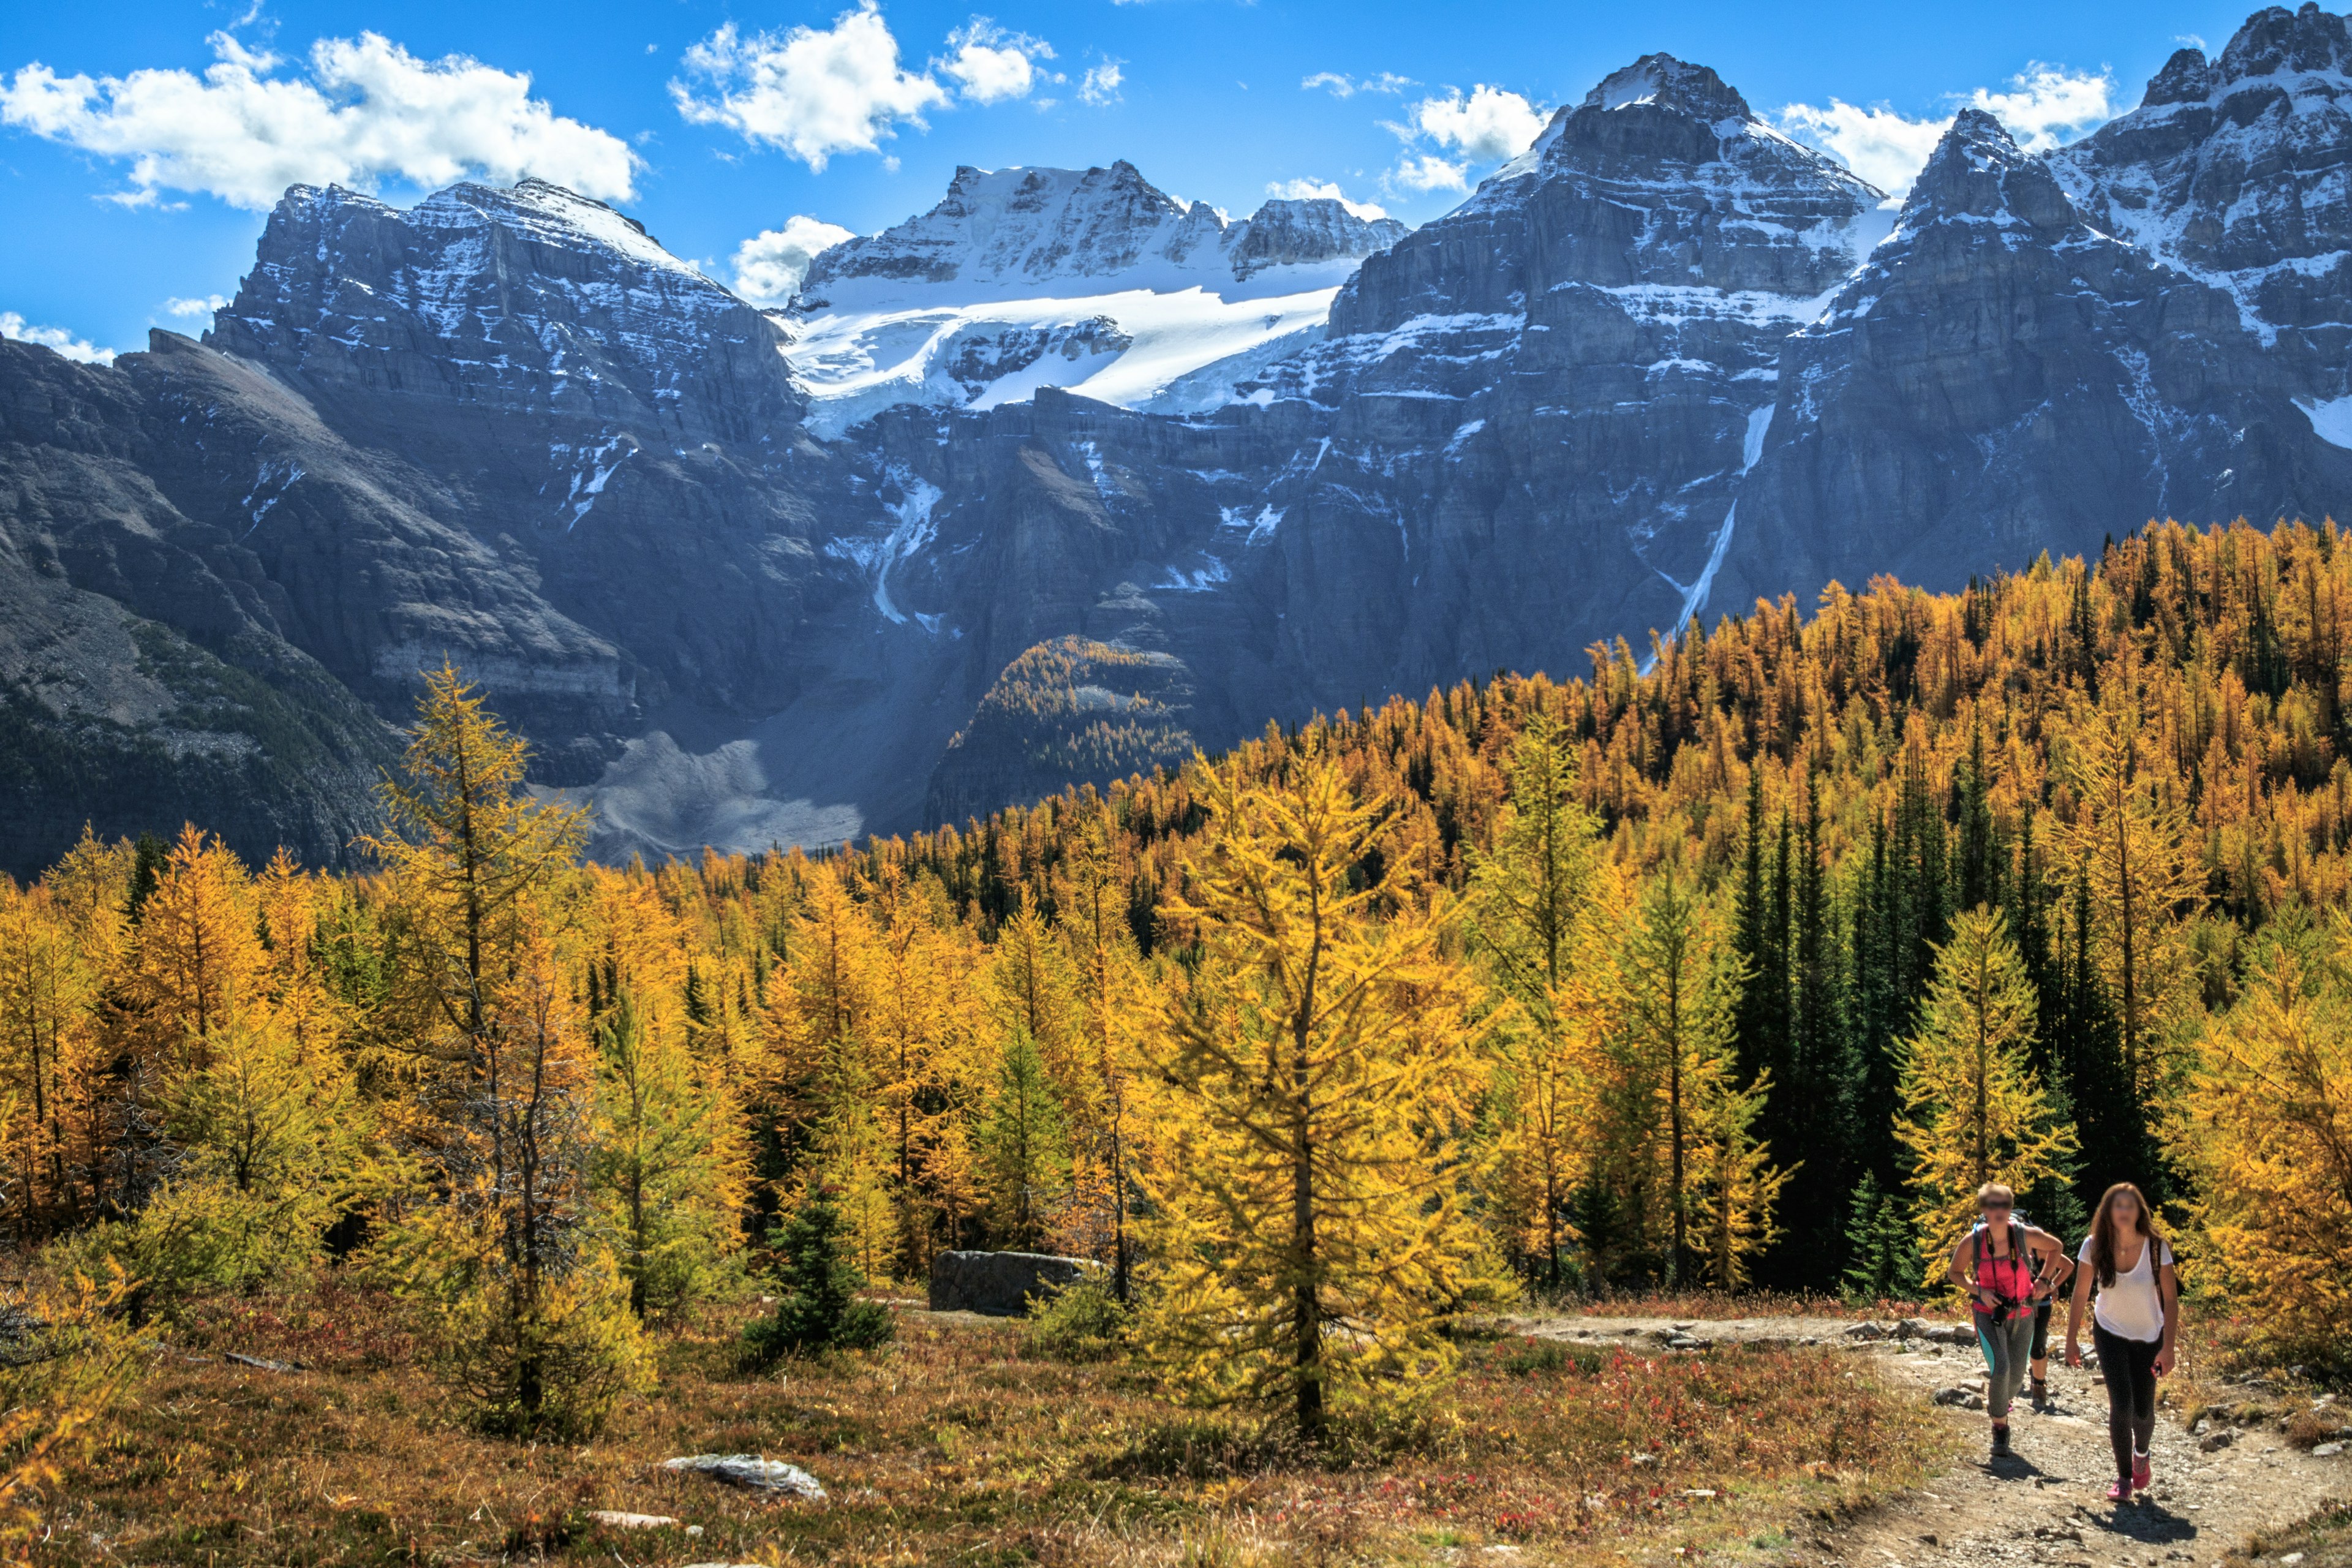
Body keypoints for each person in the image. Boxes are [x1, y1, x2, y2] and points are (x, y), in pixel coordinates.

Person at [2064, 1182, 2179, 1503]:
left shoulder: (2157, 1248)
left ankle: (2142, 1452)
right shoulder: (2093, 1246)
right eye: (2118, 1206)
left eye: (2130, 1205)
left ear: (2139, 1211)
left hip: (2148, 1337)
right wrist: (2071, 1340)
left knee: (2143, 1412)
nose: (2124, 1211)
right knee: (2122, 1405)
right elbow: (2080, 1294)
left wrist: (2167, 1347)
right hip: (2109, 1332)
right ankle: (2124, 1478)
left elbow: (2170, 1299)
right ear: (2108, 1212)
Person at [1945, 1183, 2071, 1460]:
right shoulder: (1973, 1241)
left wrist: (2044, 1281)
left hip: (2024, 1313)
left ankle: (2002, 1402)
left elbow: (2057, 1247)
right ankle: (2000, 1429)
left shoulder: (2024, 1235)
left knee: (2015, 1379)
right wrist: (1980, 1291)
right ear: (1984, 1209)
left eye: (2004, 1204)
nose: (1998, 1210)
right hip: (1988, 1314)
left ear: (2010, 1207)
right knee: (2001, 1369)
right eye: (1992, 1205)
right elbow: (1954, 1273)